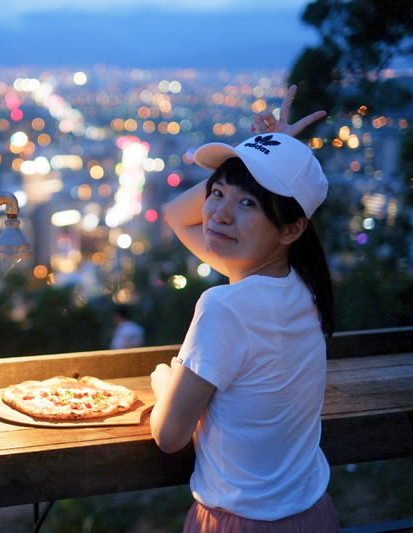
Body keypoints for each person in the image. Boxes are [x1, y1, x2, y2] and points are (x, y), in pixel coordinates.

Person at [150, 85, 340, 532]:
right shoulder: (302, 287)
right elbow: (177, 215)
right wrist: (261, 161)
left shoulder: (225, 306)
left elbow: (169, 436)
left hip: (241, 522)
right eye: (217, 194)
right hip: (313, 514)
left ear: (292, 228)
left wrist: (164, 381)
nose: (218, 215)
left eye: (247, 203)